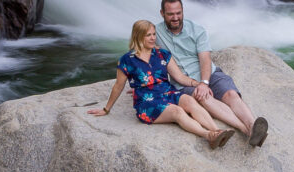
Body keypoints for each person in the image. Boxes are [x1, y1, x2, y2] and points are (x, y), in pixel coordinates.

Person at [88, 19, 235, 149]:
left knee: (189, 100)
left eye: (154, 34)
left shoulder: (162, 54)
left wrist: (201, 84)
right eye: (148, 35)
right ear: (138, 36)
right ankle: (208, 136)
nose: (153, 38)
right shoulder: (127, 60)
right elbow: (118, 86)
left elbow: (180, 77)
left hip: (169, 93)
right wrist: (106, 109)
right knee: (177, 112)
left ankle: (218, 131)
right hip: (147, 102)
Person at [156, 0, 269, 147]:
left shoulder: (197, 30)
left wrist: (204, 82)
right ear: (162, 13)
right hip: (183, 82)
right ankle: (247, 131)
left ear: (183, 11)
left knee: (230, 94)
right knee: (205, 98)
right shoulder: (155, 33)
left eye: (179, 13)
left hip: (208, 74)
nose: (175, 17)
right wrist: (140, 80)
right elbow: (138, 51)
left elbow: (205, 59)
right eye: (170, 14)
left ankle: (252, 124)